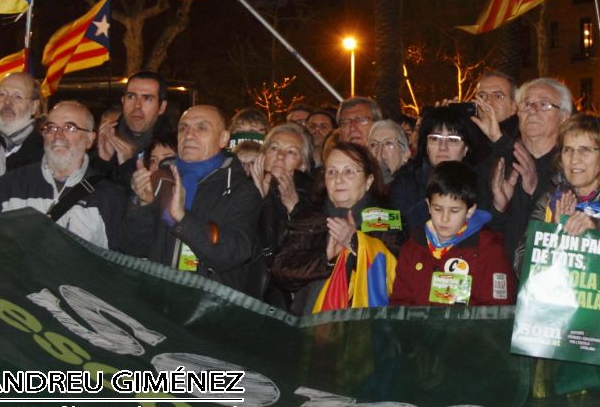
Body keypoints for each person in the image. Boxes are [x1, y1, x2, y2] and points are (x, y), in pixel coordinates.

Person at [118, 104, 261, 293]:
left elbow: (233, 253)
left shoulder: (239, 190)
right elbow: (132, 248)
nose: (189, 134)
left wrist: (183, 219)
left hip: (206, 303)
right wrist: (143, 205)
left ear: (223, 138)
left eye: (202, 127)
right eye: (183, 128)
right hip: (155, 297)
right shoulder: (160, 179)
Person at [512, 114, 600, 285]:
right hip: (558, 300)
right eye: (568, 150)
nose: (574, 159)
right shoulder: (549, 201)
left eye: (585, 150)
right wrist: (555, 232)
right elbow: (521, 266)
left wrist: (596, 230)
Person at [0, 102, 130, 251]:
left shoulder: (108, 197)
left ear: (90, 139)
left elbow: (118, 259)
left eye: (70, 128)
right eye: (51, 128)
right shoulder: (10, 187)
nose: (58, 136)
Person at [284, 142, 401, 315]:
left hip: (363, 320)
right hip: (306, 318)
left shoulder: (384, 219)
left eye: (348, 171)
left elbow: (394, 272)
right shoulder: (310, 216)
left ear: (368, 181)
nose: (338, 179)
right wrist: (326, 259)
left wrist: (355, 242)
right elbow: (282, 271)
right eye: (331, 172)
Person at [391, 161, 515, 307]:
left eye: (454, 211)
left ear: (469, 211)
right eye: (438, 209)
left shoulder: (489, 251)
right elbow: (399, 306)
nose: (445, 218)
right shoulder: (412, 248)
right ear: (428, 206)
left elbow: (495, 311)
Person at [485, 78, 574, 266]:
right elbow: (482, 232)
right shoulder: (500, 161)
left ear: (564, 117)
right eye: (526, 104)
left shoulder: (574, 166)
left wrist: (536, 190)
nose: (532, 110)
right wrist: (499, 208)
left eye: (543, 104)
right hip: (502, 276)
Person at [251, 123, 318, 307]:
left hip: (291, 301)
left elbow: (311, 254)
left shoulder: (316, 199)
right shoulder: (241, 189)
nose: (280, 156)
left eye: (291, 152)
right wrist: (256, 200)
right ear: (263, 156)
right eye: (274, 148)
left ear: (303, 164)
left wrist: (295, 208)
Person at [388, 105, 476, 238]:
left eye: (452, 140)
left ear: (466, 148)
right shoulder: (406, 180)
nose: (443, 147)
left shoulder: (478, 182)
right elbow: (394, 230)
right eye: (435, 138)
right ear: (426, 145)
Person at [95, 71, 169, 188]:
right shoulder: (105, 140)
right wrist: (103, 162)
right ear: (123, 101)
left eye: (147, 98)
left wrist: (127, 166)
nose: (137, 105)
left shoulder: (173, 149)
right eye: (131, 97)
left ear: (161, 107)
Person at [0, 72, 44, 177]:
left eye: (18, 97)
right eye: (2, 95)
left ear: (34, 106)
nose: (7, 102)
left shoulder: (46, 153)